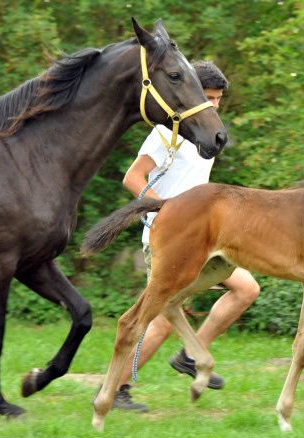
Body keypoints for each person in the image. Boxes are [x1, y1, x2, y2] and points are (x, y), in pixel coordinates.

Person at [109, 61, 260, 411]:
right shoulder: (166, 134)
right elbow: (133, 177)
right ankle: (117, 389)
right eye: (209, 98)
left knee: (246, 288)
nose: (215, 106)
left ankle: (192, 355)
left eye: (219, 100)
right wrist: (165, 213)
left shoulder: (201, 134)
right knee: (160, 322)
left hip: (205, 242)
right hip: (171, 240)